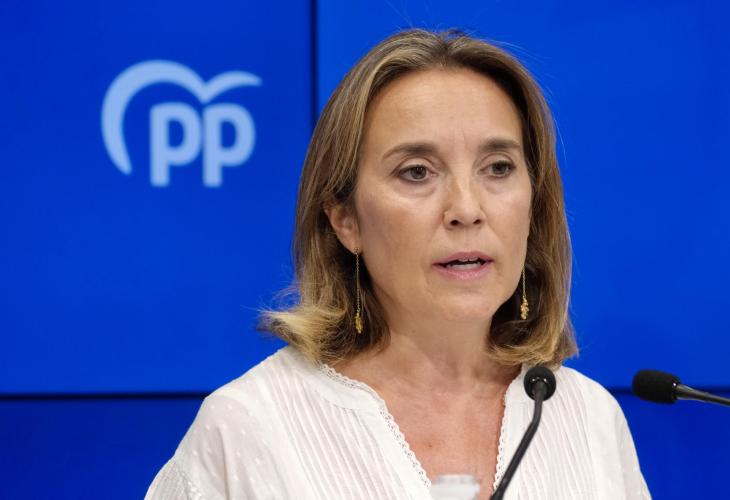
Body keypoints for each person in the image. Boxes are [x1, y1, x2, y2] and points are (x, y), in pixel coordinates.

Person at [145, 29, 650, 499]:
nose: (467, 209)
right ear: (346, 220)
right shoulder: (248, 428)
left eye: (498, 168)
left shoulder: (586, 417)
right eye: (417, 172)